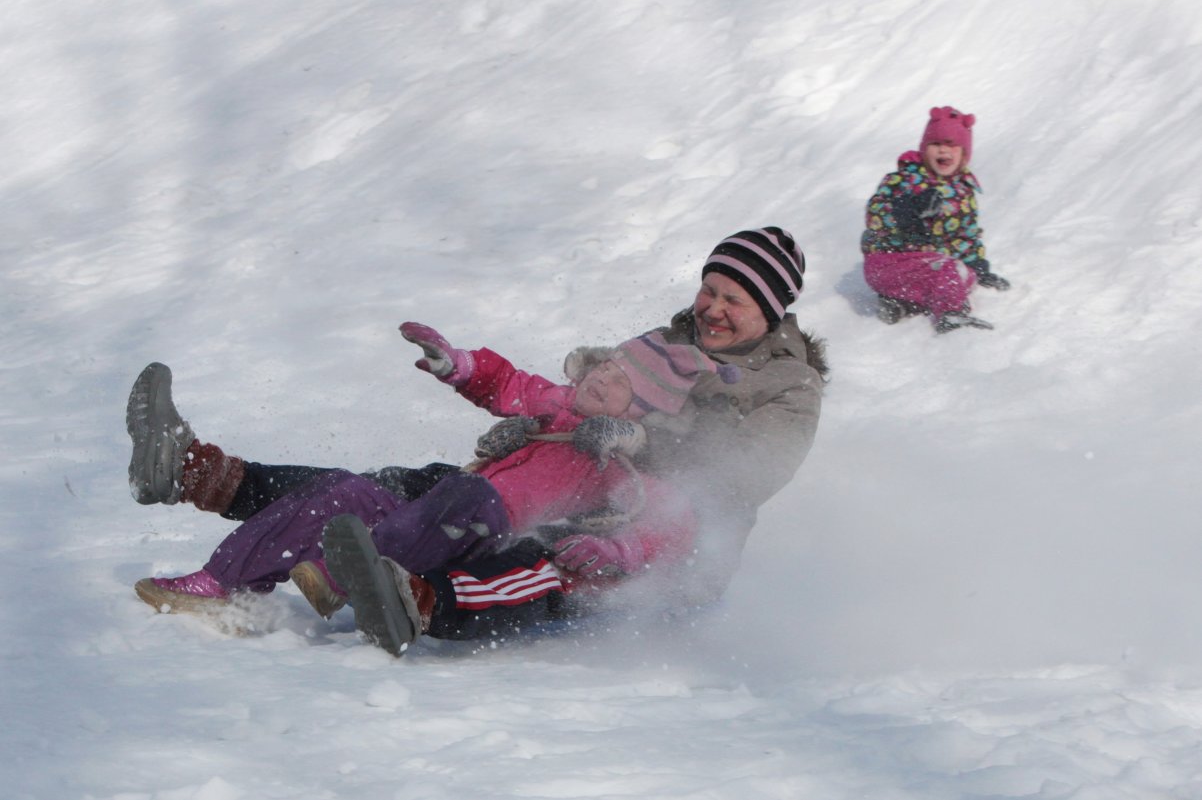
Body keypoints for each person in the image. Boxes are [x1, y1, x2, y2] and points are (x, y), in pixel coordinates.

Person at [129, 226, 828, 655]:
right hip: (561, 482)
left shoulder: (788, 387)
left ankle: (418, 597)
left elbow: (744, 475)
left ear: (770, 311)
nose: (712, 306)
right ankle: (199, 472)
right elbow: (568, 393)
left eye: (733, 299)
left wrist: (637, 440)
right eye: (709, 289)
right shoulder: (664, 344)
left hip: (657, 544)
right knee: (408, 489)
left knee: (541, 558)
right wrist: (531, 423)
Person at [133, 326, 733, 652]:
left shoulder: (622, 468)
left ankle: (341, 576)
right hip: (449, 504)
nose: (603, 376)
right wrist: (459, 365)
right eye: (605, 365)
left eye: (621, 382)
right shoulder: (552, 404)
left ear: (642, 414)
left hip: (489, 533)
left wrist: (616, 550)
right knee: (348, 490)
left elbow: (672, 526)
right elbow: (507, 382)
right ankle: (221, 581)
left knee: (468, 501)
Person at [861, 106, 1009, 333]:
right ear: (924, 148)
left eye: (952, 146)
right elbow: (875, 214)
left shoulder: (963, 192)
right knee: (949, 271)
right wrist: (905, 209)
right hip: (890, 264)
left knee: (965, 275)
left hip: (932, 267)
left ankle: (902, 304)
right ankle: (952, 314)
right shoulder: (903, 180)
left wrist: (979, 268)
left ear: (964, 154)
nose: (944, 151)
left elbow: (966, 236)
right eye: (936, 144)